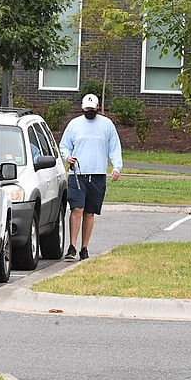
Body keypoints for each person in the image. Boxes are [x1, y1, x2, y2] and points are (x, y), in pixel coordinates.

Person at [59, 93, 123, 261]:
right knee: (76, 209)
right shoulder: (74, 124)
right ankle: (72, 246)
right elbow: (64, 146)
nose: (89, 112)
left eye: (92, 109)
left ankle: (84, 248)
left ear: (97, 108)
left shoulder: (107, 125)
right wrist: (67, 157)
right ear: (82, 108)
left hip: (97, 174)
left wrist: (117, 167)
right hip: (77, 173)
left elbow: (114, 147)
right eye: (87, 109)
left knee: (89, 212)